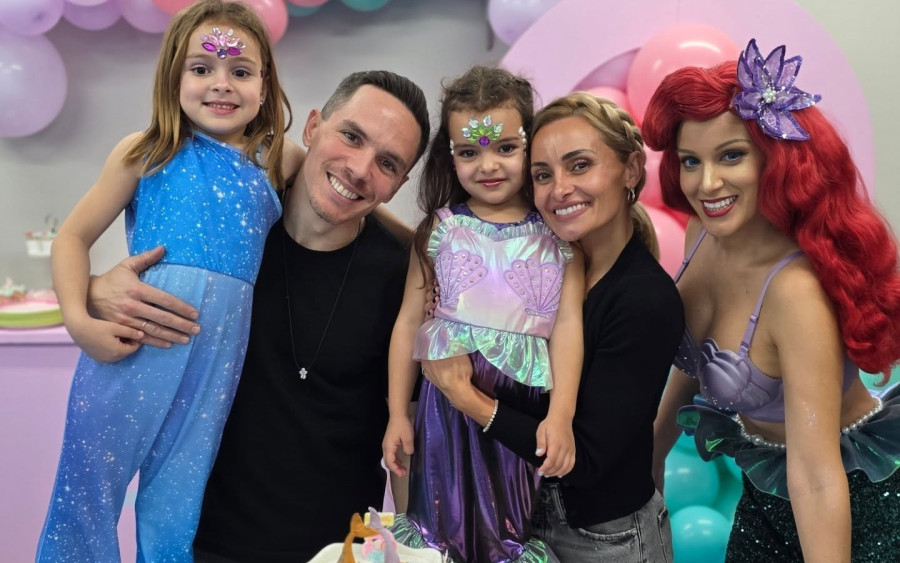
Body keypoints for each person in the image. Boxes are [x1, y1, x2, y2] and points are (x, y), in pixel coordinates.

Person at [86, 69, 430, 561]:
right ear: (312, 127)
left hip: (338, 551)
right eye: (351, 136)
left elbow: (408, 438)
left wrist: (415, 547)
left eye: (388, 163)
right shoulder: (228, 230)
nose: (360, 168)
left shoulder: (403, 280)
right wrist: (95, 292)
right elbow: (144, 293)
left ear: (398, 185)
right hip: (201, 544)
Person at [36, 2, 302, 561]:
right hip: (130, 353)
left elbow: (348, 195)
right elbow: (71, 239)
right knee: (85, 499)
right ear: (173, 78)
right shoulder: (146, 151)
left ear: (265, 84)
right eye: (201, 68)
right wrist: (80, 323)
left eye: (240, 70)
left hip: (215, 368)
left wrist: (424, 239)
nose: (221, 83)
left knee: (176, 509)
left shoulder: (277, 159)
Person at [643, 39, 900, 562]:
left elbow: (816, 476)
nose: (706, 183)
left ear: (776, 158)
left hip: (853, 500)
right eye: (691, 161)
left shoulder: (795, 293)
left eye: (731, 155)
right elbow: (691, 366)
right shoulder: (701, 234)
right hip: (767, 493)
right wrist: (651, 454)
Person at [419, 91, 684, 562]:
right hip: (522, 516)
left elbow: (587, 458)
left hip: (605, 541)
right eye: (543, 174)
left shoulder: (644, 299)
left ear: (630, 169)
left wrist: (465, 397)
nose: (560, 189)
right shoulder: (546, 263)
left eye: (579, 165)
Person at [382, 65, 585, 562]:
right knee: (440, 522)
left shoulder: (558, 235)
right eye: (469, 152)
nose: (487, 165)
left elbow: (567, 327)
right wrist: (397, 412)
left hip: (516, 410)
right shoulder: (439, 229)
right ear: (450, 156)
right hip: (443, 409)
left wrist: (561, 415)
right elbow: (408, 321)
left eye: (505, 148)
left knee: (505, 529)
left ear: (530, 145)